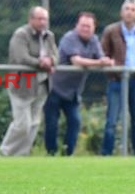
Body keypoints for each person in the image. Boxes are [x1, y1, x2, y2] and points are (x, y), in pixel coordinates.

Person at [44, 12, 114, 156]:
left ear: (94, 28)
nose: (85, 29)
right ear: (76, 25)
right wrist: (99, 63)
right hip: (55, 88)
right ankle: (51, 153)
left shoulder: (94, 40)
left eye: (88, 26)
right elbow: (77, 61)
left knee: (75, 121)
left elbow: (101, 58)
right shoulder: (69, 38)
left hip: (73, 92)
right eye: (82, 25)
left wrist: (106, 61)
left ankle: (67, 154)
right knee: (52, 124)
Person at [0, 6, 58, 156]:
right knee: (22, 124)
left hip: (42, 85)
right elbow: (21, 57)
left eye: (45, 19)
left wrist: (50, 61)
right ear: (31, 19)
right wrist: (41, 63)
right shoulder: (21, 34)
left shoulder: (49, 36)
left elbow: (56, 56)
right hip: (22, 84)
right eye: (39, 18)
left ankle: (21, 155)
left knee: (34, 123)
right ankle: (5, 154)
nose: (43, 22)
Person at [100, 0, 135, 156]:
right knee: (112, 121)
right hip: (117, 81)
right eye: (127, 9)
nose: (129, 12)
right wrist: (111, 70)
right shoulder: (111, 31)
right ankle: (106, 155)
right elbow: (103, 52)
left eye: (133, 9)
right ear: (121, 11)